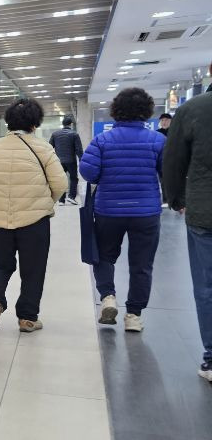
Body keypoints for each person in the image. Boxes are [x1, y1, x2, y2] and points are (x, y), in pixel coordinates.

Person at [0, 98, 67, 332]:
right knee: (33, 269)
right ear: (34, 124)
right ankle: (27, 318)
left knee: (0, 265)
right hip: (35, 221)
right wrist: (45, 202)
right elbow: (60, 184)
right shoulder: (44, 148)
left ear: (8, 122)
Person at [80, 88, 165, 333]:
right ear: (146, 111)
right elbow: (167, 172)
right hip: (146, 212)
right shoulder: (158, 140)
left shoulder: (102, 140)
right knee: (142, 264)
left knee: (104, 256)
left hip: (109, 210)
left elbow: (89, 173)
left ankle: (108, 296)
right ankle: (134, 316)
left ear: (116, 110)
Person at [162, 61, 212, 382]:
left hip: (205, 210)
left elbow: (173, 161)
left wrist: (176, 199)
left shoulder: (193, 109)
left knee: (207, 286)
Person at [49, 116, 84, 204]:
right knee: (73, 178)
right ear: (71, 124)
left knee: (61, 179)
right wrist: (82, 161)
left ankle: (61, 200)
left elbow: (49, 147)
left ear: (63, 124)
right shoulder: (74, 134)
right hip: (71, 161)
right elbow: (79, 150)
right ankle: (71, 197)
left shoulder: (55, 134)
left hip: (59, 161)